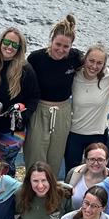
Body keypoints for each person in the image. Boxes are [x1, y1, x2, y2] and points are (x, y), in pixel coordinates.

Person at [25, 14, 82, 178]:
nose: (61, 50)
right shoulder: (36, 58)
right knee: (35, 154)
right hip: (39, 110)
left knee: (55, 158)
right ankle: (31, 190)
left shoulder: (75, 57)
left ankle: (50, 193)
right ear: (51, 40)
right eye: (58, 44)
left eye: (66, 46)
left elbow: (95, 67)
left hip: (63, 110)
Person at [0, 27, 40, 176]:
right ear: (0, 42)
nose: (9, 47)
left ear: (20, 48)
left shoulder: (25, 70)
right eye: (7, 42)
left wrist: (22, 115)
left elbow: (33, 98)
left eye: (15, 44)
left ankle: (8, 196)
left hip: (14, 130)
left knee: (6, 166)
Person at [64, 44, 109, 172]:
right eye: (91, 61)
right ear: (85, 59)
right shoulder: (75, 75)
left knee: (96, 172)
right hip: (75, 133)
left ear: (104, 65)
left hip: (98, 134)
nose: (94, 66)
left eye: (99, 63)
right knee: (72, 171)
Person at [64, 143, 109, 209]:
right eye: (92, 159)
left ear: (107, 161)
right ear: (86, 160)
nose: (96, 163)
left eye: (100, 160)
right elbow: (64, 200)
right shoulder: (73, 173)